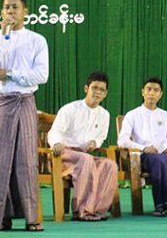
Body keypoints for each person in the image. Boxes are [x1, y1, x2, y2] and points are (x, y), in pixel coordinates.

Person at [0, 0, 49, 231]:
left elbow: (41, 75)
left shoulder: (37, 40)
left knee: (26, 158)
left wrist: (10, 74)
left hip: (25, 101)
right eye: (7, 8)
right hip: (1, 101)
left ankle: (32, 218)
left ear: (25, 12)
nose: (10, 11)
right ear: (1, 12)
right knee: (1, 158)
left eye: (15, 7)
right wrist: (4, 36)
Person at [117, 77, 167, 216]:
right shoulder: (132, 115)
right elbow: (122, 140)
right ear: (143, 92)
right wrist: (143, 148)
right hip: (144, 156)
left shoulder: (166, 115)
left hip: (165, 154)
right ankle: (162, 205)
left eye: (156, 90)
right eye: (149, 89)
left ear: (161, 94)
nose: (152, 93)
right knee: (160, 160)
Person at [48, 71, 118, 221]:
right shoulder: (70, 109)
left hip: (84, 156)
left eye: (102, 90)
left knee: (109, 165)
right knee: (86, 159)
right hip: (63, 155)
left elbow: (101, 136)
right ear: (86, 88)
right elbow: (55, 131)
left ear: (105, 94)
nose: (98, 92)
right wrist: (56, 143)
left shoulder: (105, 114)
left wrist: (95, 143)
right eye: (95, 88)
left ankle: (97, 210)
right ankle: (81, 211)